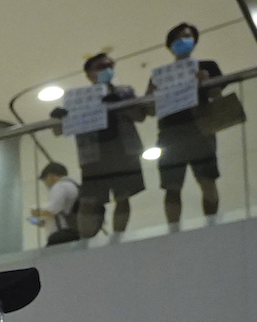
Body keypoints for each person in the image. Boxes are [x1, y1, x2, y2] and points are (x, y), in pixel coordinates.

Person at [54, 52, 146, 240]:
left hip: (124, 150)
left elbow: (140, 115)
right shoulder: (78, 99)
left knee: (123, 196)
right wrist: (59, 117)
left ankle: (118, 238)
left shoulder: (125, 92)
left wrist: (120, 103)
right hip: (93, 155)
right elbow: (59, 130)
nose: (107, 70)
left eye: (110, 66)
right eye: (101, 67)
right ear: (89, 74)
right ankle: (85, 240)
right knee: (89, 200)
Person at [149, 21, 224, 226]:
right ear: (170, 45)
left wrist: (207, 82)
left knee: (207, 180)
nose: (183, 41)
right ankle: (174, 229)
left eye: (187, 37)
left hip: (201, 128)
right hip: (170, 131)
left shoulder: (208, 66)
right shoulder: (160, 75)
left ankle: (211, 225)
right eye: (178, 38)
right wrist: (152, 93)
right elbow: (149, 109)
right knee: (171, 186)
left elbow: (218, 96)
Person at [31, 161, 80, 246]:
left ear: (51, 177)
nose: (46, 183)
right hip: (77, 231)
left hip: (62, 235)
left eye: (45, 180)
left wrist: (36, 213)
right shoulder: (75, 185)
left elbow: (53, 210)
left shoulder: (59, 186)